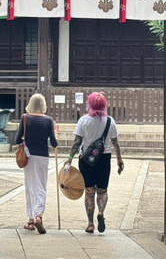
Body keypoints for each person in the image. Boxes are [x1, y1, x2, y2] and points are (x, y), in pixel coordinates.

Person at [64, 92, 124, 233]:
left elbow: (77, 142)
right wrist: (119, 160)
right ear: (104, 105)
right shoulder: (110, 121)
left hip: (86, 160)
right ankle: (101, 212)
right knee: (102, 190)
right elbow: (115, 143)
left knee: (89, 191)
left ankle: (90, 224)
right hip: (104, 158)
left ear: (90, 104)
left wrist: (70, 158)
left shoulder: (84, 120)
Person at [15, 93, 58, 234]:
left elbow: (16, 140)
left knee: (30, 186)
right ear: (44, 105)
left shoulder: (25, 118)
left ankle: (31, 220)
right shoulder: (49, 120)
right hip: (43, 156)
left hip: (28, 156)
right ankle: (39, 214)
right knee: (41, 185)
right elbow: (54, 143)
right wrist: (56, 133)